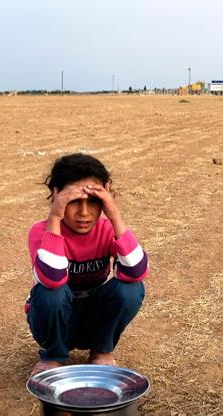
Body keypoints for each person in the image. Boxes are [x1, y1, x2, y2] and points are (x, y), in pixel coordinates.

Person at [26, 153, 148, 376]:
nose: (83, 213)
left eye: (93, 201)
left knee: (132, 288)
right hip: (55, 319)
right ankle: (53, 355)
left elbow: (136, 271)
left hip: (94, 318)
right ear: (56, 195)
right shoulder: (40, 231)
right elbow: (52, 279)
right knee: (51, 292)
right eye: (73, 201)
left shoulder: (107, 230)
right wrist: (54, 218)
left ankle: (101, 350)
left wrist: (114, 215)